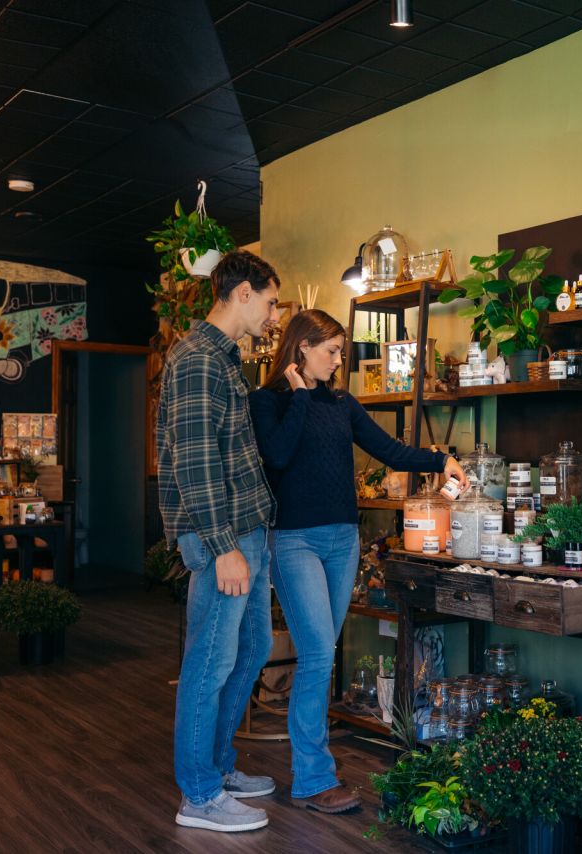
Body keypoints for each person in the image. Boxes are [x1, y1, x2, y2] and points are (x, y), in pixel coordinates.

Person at [250, 308, 466, 814]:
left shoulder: (343, 403)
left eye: (341, 351)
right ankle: (312, 778)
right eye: (331, 351)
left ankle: (314, 765)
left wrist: (441, 459)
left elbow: (389, 450)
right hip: (294, 540)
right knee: (320, 657)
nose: (339, 360)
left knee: (321, 652)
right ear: (302, 348)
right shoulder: (267, 401)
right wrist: (301, 395)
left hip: (343, 539)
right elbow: (277, 456)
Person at [158, 250, 282, 833]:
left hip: (246, 532)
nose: (274, 315)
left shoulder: (224, 359)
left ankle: (217, 765)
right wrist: (224, 545)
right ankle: (200, 795)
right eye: (272, 301)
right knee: (210, 662)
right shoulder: (197, 360)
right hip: (223, 536)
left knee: (251, 649)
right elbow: (196, 463)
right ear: (242, 294)